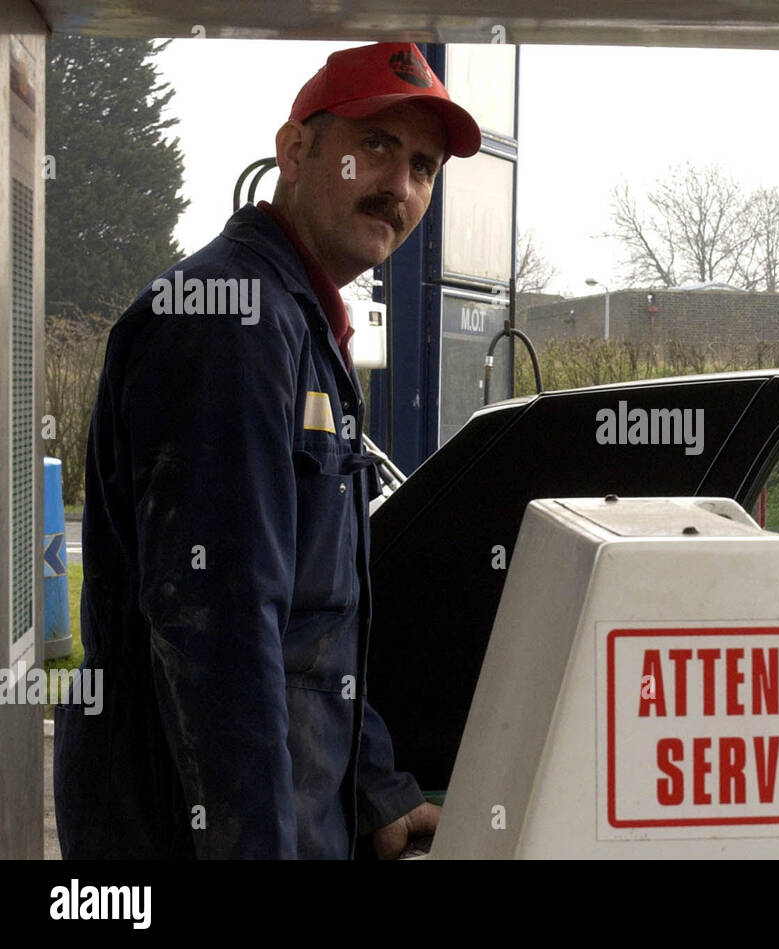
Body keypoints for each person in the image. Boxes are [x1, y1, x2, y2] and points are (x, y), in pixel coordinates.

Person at [53, 42, 482, 859]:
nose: (399, 187)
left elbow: (313, 626)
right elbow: (219, 636)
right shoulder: (231, 324)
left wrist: (376, 793)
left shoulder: (297, 324)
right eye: (377, 146)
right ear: (295, 150)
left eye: (423, 166)